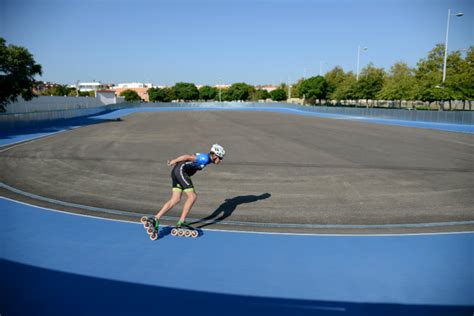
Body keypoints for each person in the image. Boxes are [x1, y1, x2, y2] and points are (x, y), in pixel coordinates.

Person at [145, 144, 226, 232]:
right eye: (220, 158)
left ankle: (155, 219)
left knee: (175, 199)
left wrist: (177, 163)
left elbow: (189, 159)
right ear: (214, 155)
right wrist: (174, 161)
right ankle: (181, 222)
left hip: (177, 171)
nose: (220, 161)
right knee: (192, 196)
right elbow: (187, 156)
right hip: (181, 171)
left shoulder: (207, 159)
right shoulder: (204, 158)